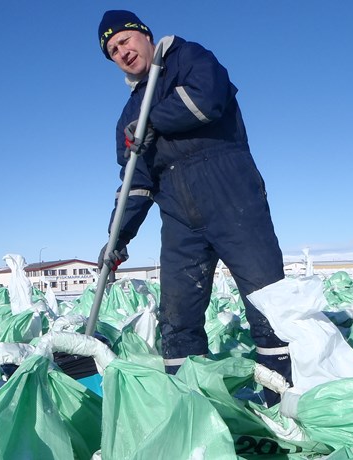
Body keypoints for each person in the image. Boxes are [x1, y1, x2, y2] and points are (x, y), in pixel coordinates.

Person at [96, 10, 291, 405]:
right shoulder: (128, 115)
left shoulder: (188, 58)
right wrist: (118, 236)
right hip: (180, 217)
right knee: (177, 316)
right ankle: (192, 405)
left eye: (125, 40)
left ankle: (283, 399)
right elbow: (136, 182)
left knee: (267, 302)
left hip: (232, 198)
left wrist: (153, 120)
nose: (122, 51)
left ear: (144, 35)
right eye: (112, 50)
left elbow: (206, 101)